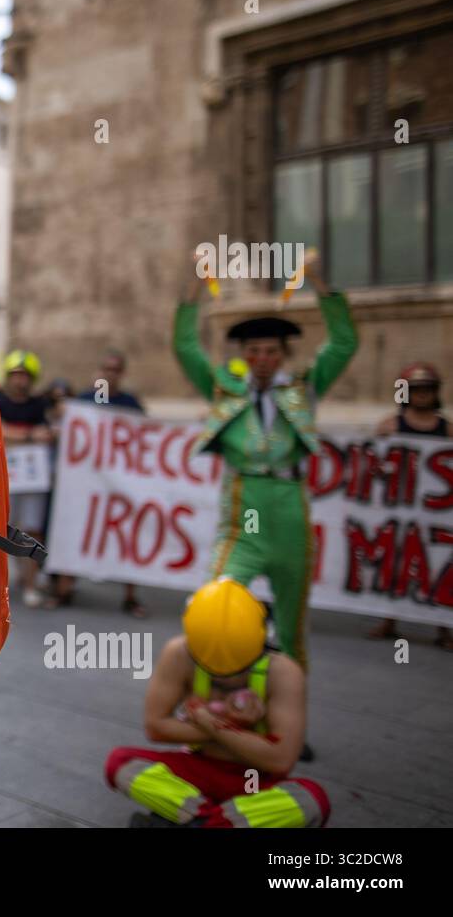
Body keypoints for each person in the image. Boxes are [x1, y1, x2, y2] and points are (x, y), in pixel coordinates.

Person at [173, 250, 355, 676]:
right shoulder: (225, 389)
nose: (262, 358)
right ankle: (203, 707)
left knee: (293, 630)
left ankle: (288, 730)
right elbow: (185, 347)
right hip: (245, 510)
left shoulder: (304, 388)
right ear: (244, 355)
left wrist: (320, 281)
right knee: (212, 604)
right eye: (253, 351)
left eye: (271, 351)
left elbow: (344, 343)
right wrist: (195, 281)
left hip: (291, 511)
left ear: (283, 354)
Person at [105, 578, 330, 827]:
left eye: (238, 670)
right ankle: (212, 821)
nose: (227, 679)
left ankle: (190, 820)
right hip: (196, 771)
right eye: (214, 671)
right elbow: (156, 728)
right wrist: (239, 729)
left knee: (312, 800)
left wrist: (206, 719)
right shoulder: (179, 653)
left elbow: (280, 760)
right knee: (121, 762)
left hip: (253, 780)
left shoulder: (284, 673)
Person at [54, 348, 148, 617]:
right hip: (86, 484)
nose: (110, 374)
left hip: (119, 485)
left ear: (122, 374)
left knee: (128, 536)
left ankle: (131, 597)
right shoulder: (85, 400)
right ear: (100, 372)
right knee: (74, 531)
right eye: (106, 369)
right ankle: (64, 590)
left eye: (115, 370)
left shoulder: (131, 404)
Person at [371, 361, 452, 649]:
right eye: (415, 390)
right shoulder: (390, 427)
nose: (421, 395)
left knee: (439, 565)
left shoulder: (447, 429)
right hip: (399, 509)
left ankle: (443, 627)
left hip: (435, 514)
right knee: (396, 562)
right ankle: (390, 620)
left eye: (427, 389)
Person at [0, 349, 50, 608]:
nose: (20, 381)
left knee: (31, 531)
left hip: (33, 480)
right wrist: (29, 436)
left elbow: (51, 431)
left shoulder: (41, 404)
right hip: (3, 477)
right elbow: (0, 430)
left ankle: (30, 584)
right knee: (0, 529)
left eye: (25, 375)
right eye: (16, 375)